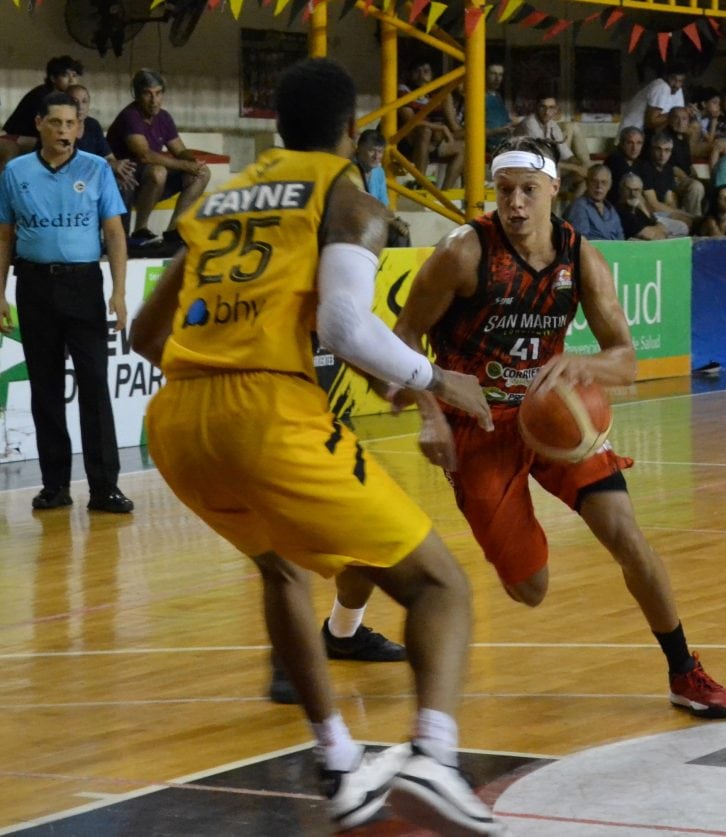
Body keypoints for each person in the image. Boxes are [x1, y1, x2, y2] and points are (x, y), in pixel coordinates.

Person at [129, 58, 502, 835]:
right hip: (266, 410)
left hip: (175, 420)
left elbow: (143, 334)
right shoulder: (347, 195)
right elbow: (341, 327)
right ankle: (434, 755)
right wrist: (439, 379)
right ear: (353, 131)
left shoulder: (218, 196)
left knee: (280, 567)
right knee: (440, 587)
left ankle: (338, 762)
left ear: (274, 127)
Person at [392, 135, 726, 722]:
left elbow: (624, 357)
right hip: (476, 426)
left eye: (529, 190)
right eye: (505, 191)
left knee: (628, 537)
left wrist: (586, 365)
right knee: (532, 589)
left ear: (555, 188)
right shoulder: (463, 253)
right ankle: (356, 586)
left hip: (553, 415)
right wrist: (431, 410)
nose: (516, 204)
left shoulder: (582, 259)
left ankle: (684, 669)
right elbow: (400, 337)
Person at [0, 92, 134, 514]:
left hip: (83, 285)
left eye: (70, 124)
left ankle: (104, 487)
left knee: (95, 385)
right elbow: (4, 236)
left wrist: (118, 291)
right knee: (46, 389)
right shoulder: (15, 171)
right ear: (39, 124)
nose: (63, 131)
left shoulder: (96, 169)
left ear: (80, 127)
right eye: (55, 123)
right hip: (35, 286)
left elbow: (114, 233)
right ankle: (54, 485)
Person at [106, 68, 210, 248]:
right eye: (148, 94)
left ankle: (174, 231)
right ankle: (140, 229)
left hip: (149, 182)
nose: (154, 101)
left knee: (202, 173)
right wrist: (185, 165)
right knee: (158, 172)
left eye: (158, 93)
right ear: (137, 95)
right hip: (125, 182)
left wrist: (194, 163)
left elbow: (179, 149)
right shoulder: (130, 116)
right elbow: (145, 155)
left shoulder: (164, 117)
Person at [0, 55, 83, 171]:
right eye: (65, 75)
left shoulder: (67, 98)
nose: (71, 80)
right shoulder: (44, 96)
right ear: (53, 78)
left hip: (34, 136)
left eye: (74, 76)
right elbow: (43, 128)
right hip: (15, 137)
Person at [68, 84, 137, 218]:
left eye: (84, 101)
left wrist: (117, 169)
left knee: (124, 183)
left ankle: (122, 237)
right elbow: (66, 166)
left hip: (94, 177)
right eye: (74, 101)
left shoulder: (92, 125)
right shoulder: (60, 128)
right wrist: (107, 166)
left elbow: (109, 158)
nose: (80, 106)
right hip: (70, 180)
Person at [396, 59, 465, 190]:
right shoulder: (404, 90)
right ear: (411, 74)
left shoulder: (439, 94)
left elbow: (455, 127)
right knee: (425, 131)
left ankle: (445, 193)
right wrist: (440, 127)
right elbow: (410, 121)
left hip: (436, 141)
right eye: (417, 71)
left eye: (426, 71)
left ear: (432, 74)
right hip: (410, 140)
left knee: (465, 146)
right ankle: (419, 183)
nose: (422, 75)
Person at [515, 94, 588, 201]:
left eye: (551, 108)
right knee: (554, 174)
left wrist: (580, 166)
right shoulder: (530, 123)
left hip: (542, 170)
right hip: (522, 169)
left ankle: (573, 212)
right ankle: (549, 214)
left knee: (584, 177)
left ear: (556, 110)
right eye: (542, 107)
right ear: (536, 108)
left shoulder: (552, 125)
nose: (546, 111)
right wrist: (575, 168)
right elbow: (542, 160)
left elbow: (566, 154)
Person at [355, 128, 411, 247]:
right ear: (359, 149)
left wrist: (395, 221)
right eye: (372, 151)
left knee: (401, 232)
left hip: (375, 221)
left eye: (380, 152)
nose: (376, 156)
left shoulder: (379, 172)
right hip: (356, 224)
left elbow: (383, 205)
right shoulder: (350, 170)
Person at [637, 130, 694, 234]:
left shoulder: (668, 169)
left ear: (671, 152)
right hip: (648, 214)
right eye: (658, 149)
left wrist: (679, 214)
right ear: (651, 149)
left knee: (692, 221)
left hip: (662, 212)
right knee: (684, 225)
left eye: (667, 150)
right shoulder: (645, 168)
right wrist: (681, 214)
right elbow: (653, 204)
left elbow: (669, 200)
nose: (662, 154)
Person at [617, 63, 688, 141]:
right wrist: (679, 113)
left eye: (680, 81)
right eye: (673, 79)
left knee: (690, 127)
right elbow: (651, 122)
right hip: (632, 133)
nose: (677, 85)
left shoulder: (677, 89)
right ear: (666, 76)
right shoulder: (661, 86)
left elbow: (679, 116)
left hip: (649, 132)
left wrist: (688, 113)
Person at [665, 106, 706, 217]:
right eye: (676, 118)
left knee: (709, 186)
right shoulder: (665, 137)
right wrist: (688, 178)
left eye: (684, 119)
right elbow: (668, 165)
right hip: (670, 178)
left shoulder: (683, 138)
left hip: (684, 177)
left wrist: (695, 174)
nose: (680, 122)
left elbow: (688, 162)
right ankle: (694, 221)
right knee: (696, 186)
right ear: (669, 119)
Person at [564, 164, 624, 240]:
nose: (599, 186)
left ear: (610, 185)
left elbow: (621, 238)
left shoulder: (611, 210)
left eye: (604, 182)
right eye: (594, 181)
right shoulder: (579, 207)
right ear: (587, 183)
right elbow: (581, 242)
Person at [616, 173, 671, 240]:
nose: (633, 194)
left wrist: (643, 208)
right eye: (628, 190)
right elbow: (650, 236)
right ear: (621, 190)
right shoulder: (621, 212)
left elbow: (664, 229)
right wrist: (658, 231)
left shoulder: (638, 210)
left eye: (637, 190)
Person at [604, 126, 645, 206]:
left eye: (639, 143)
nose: (634, 148)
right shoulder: (615, 160)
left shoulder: (640, 163)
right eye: (630, 143)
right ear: (622, 144)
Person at [484, 63, 515, 156]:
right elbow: (475, 132)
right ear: (484, 74)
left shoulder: (497, 96)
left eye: (500, 75)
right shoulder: (478, 97)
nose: (497, 78)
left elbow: (506, 121)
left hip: (505, 143)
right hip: (489, 148)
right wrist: (499, 131)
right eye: (493, 74)